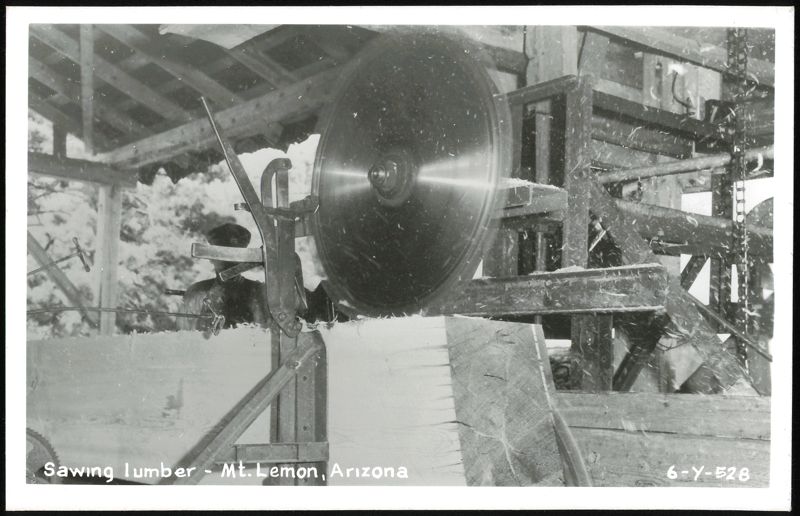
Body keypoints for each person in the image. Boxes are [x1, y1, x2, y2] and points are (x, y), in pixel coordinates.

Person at [179, 223, 269, 331]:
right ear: (211, 259)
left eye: (233, 258)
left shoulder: (260, 293)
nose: (228, 263)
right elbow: (183, 335)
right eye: (222, 257)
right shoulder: (197, 293)